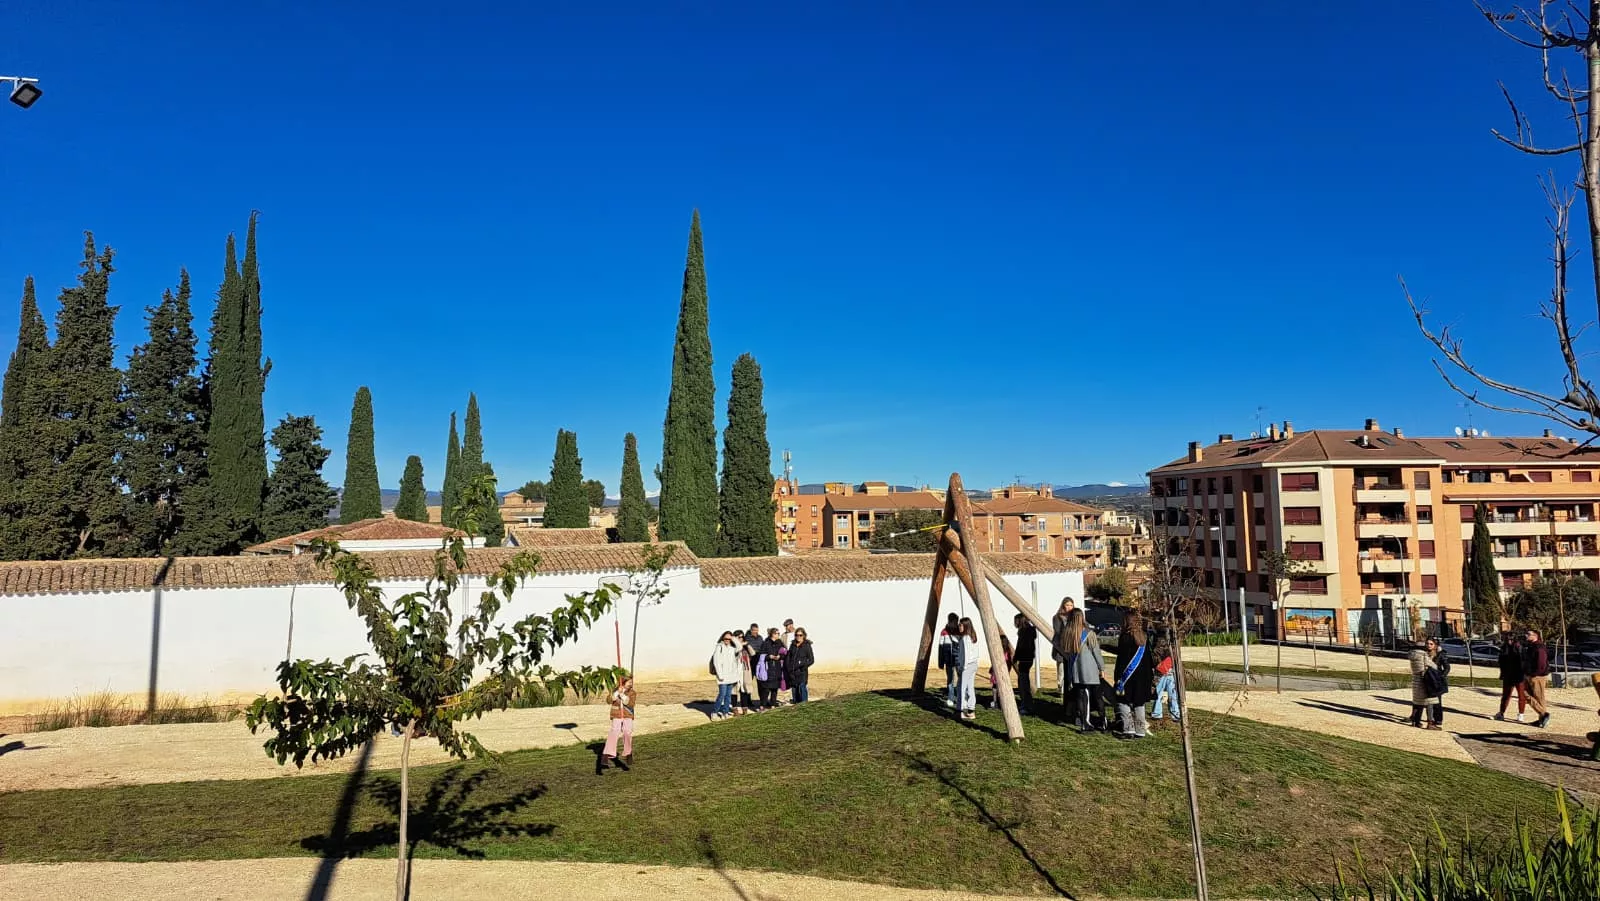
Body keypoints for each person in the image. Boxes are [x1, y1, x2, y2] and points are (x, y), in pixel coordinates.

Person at [1113, 610, 1154, 739]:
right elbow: (1149, 659)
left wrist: (1118, 678)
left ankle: (1128, 729)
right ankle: (1140, 731)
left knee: (1122, 701)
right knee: (1139, 703)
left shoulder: (1126, 637)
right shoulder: (1144, 637)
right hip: (1143, 677)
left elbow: (1122, 660)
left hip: (1128, 676)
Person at [1064, 608, 1105, 732]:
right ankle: (1095, 722)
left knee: (1080, 696)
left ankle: (1083, 721)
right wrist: (1101, 667)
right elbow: (1096, 652)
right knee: (1095, 696)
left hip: (1075, 671)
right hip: (1089, 672)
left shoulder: (1068, 634)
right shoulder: (1089, 633)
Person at [1407, 638, 1448, 730]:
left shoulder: (1412, 655)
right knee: (1430, 702)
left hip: (1416, 680)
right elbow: (1434, 666)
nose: (1427, 647)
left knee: (1418, 702)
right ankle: (1430, 723)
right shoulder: (1423, 655)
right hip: (1425, 681)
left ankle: (1416, 721)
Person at [599, 675, 636, 773]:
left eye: (631, 682)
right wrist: (616, 693)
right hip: (617, 715)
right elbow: (609, 700)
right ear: (623, 682)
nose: (631, 684)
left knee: (627, 732)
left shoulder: (632, 693)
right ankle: (606, 755)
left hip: (628, 715)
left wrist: (623, 695)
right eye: (629, 682)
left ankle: (628, 753)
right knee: (614, 732)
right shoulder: (615, 690)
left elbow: (630, 703)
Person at [1522, 628, 1552, 729]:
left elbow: (1541, 663)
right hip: (1530, 675)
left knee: (1539, 697)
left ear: (1535, 636)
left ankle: (1543, 715)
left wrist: (1535, 674)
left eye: (1528, 634)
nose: (1526, 635)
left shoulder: (1539, 647)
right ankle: (1542, 717)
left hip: (1537, 676)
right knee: (1526, 694)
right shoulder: (1531, 646)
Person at [1495, 631, 1527, 723]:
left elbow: (1524, 662)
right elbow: (1501, 662)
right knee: (1506, 695)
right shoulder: (1504, 648)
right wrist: (1502, 673)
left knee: (1521, 696)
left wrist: (1523, 673)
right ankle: (1501, 713)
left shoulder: (1519, 648)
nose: (1509, 641)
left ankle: (1521, 714)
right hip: (1508, 675)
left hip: (1519, 675)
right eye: (1508, 639)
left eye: (1511, 639)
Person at [711, 631, 742, 720]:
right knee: (722, 695)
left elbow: (739, 647)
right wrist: (720, 675)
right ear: (722, 638)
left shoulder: (732, 648)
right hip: (722, 677)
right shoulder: (719, 647)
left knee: (728, 696)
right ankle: (714, 712)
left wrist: (733, 638)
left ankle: (725, 712)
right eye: (726, 638)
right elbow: (716, 662)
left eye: (729, 639)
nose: (727, 640)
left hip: (731, 676)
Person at [1051, 597, 1078, 697]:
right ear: (1063, 606)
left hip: (1071, 647)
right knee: (1061, 669)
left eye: (1071, 605)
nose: (1069, 607)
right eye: (1067, 605)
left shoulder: (1075, 617)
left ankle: (1069, 686)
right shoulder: (1057, 617)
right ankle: (1060, 688)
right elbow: (1058, 632)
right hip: (1060, 647)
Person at [956, 616, 981, 720]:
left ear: (965, 626)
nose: (959, 627)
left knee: (961, 687)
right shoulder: (972, 636)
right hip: (974, 664)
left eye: (960, 625)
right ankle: (971, 710)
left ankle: (960, 710)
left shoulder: (966, 638)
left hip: (967, 665)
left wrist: (962, 667)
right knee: (970, 687)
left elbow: (965, 654)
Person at [1013, 613, 1038, 714]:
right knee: (1024, 680)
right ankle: (1027, 704)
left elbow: (1020, 646)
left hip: (1024, 658)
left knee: (1023, 683)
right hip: (1029, 658)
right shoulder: (1030, 630)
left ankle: (1025, 705)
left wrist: (1015, 657)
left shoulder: (1024, 631)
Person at [1150, 642, 1180, 723]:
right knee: (1159, 693)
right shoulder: (1159, 644)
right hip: (1161, 671)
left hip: (1170, 670)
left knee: (1172, 694)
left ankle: (1175, 713)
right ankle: (1157, 713)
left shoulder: (1172, 644)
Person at [756, 627, 785, 710]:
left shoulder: (780, 643)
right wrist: (769, 656)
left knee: (775, 689)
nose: (778, 635)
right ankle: (763, 705)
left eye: (778, 633)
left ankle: (773, 704)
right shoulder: (766, 643)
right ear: (772, 634)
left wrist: (780, 656)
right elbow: (761, 655)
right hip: (767, 668)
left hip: (777, 668)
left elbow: (784, 652)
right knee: (766, 689)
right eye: (777, 633)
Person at [786, 627, 815, 703]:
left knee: (802, 688)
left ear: (804, 635)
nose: (798, 637)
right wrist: (788, 668)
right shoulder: (793, 645)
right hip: (793, 672)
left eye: (800, 635)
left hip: (802, 672)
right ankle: (796, 705)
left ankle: (804, 704)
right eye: (796, 635)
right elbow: (788, 657)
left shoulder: (807, 646)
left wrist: (803, 666)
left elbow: (811, 660)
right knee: (794, 691)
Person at [939, 613, 961, 709]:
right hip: (948, 660)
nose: (956, 624)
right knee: (950, 679)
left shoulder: (959, 632)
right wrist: (941, 661)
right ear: (950, 622)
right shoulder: (944, 632)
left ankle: (961, 696)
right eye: (955, 622)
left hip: (958, 659)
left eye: (957, 622)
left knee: (961, 677)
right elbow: (941, 648)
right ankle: (951, 697)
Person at [989, 633, 1015, 710]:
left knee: (997, 688)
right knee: (995, 687)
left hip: (1000, 673)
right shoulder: (1006, 652)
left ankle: (998, 702)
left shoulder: (1005, 653)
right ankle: (996, 702)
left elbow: (1005, 663)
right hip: (998, 673)